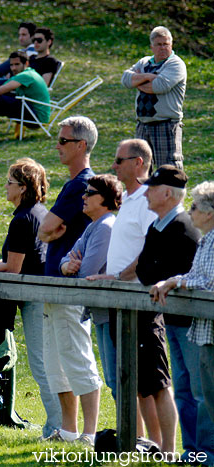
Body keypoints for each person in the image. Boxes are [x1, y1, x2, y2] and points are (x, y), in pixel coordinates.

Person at [0, 158, 61, 438]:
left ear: (23, 187)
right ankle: (60, 425)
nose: (6, 187)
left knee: (41, 365)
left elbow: (13, 268)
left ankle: (57, 428)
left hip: (34, 298)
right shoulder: (38, 212)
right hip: (41, 295)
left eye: (9, 182)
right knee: (49, 363)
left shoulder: (23, 219)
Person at [86, 140, 159, 442]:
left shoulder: (147, 199)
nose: (113, 166)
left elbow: (151, 248)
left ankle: (158, 445)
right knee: (124, 378)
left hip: (139, 299)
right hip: (119, 298)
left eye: (119, 160)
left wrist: (118, 276)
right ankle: (135, 439)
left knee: (150, 381)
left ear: (139, 162)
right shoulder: (130, 199)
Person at [129, 165, 201, 455]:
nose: (145, 193)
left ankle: (202, 451)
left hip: (193, 322)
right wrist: (160, 273)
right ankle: (192, 449)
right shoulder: (157, 226)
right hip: (172, 318)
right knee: (184, 389)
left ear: (168, 193)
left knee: (197, 390)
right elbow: (147, 270)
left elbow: (181, 271)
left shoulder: (185, 227)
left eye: (152, 188)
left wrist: (161, 273)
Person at [38, 116, 98, 444]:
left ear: (81, 145)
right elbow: (45, 229)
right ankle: (69, 429)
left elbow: (46, 228)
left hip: (71, 287)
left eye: (63, 141)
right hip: (54, 284)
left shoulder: (81, 184)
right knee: (55, 361)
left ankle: (89, 434)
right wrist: (49, 232)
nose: (57, 145)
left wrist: (50, 231)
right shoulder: (71, 183)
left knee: (76, 356)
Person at [54, 174, 122, 445]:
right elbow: (66, 258)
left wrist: (73, 267)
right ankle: (128, 436)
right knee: (113, 380)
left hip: (113, 312)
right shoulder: (92, 226)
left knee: (119, 380)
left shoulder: (105, 226)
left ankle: (132, 439)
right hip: (99, 312)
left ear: (105, 199)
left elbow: (88, 271)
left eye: (90, 193)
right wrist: (65, 266)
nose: (83, 197)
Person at [150, 181, 214, 466]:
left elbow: (208, 283)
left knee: (205, 397)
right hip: (200, 330)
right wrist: (179, 279)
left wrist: (177, 280)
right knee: (192, 393)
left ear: (210, 212)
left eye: (195, 207)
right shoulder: (205, 240)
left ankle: (207, 455)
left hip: (210, 332)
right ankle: (194, 451)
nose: (190, 212)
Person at [121, 26, 186, 169]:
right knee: (140, 170)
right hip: (143, 124)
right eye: (159, 44)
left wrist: (138, 80)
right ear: (152, 46)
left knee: (168, 171)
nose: (163, 48)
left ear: (171, 44)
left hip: (166, 125)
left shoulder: (175, 64)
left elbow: (160, 86)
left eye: (166, 44)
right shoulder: (144, 62)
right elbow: (126, 79)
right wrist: (149, 77)